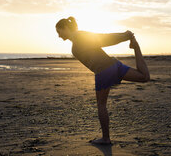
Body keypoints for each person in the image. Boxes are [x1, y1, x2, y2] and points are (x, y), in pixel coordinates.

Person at [55, 16, 150, 145]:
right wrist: (127, 37)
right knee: (144, 77)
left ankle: (105, 138)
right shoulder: (77, 40)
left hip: (104, 71)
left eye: (59, 31)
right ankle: (136, 47)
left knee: (101, 105)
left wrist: (125, 35)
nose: (59, 36)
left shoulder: (79, 37)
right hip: (114, 65)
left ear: (65, 27)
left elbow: (104, 39)